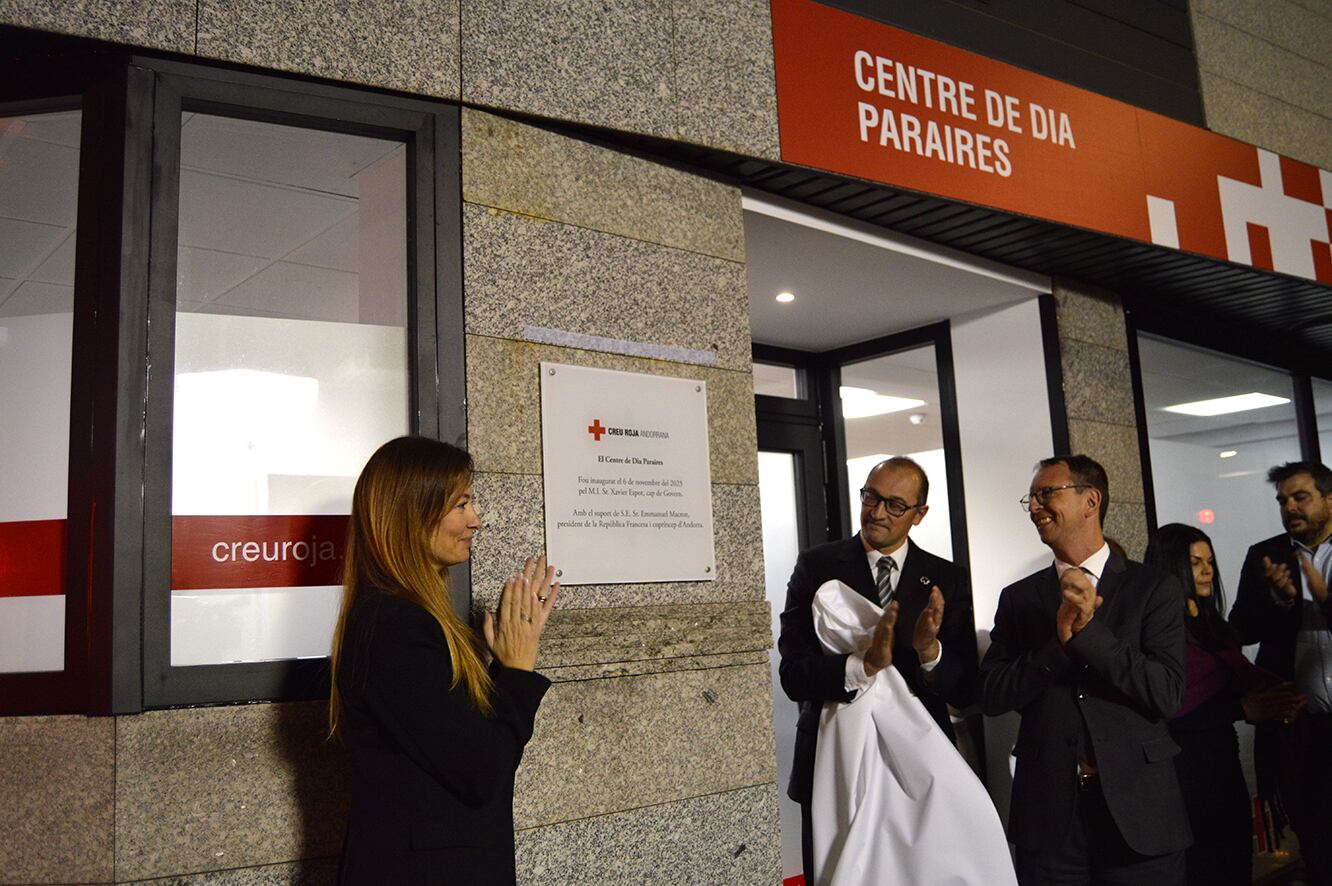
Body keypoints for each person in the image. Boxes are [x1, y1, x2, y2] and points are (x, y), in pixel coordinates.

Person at [329, 436, 558, 885]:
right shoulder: (395, 626)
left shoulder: (404, 617)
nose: (476, 521)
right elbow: (480, 770)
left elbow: (455, 742)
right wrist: (516, 670)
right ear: (412, 513)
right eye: (461, 505)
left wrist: (501, 667)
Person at [980, 454, 1191, 885]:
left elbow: (1166, 692)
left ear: (1090, 500)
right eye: (1031, 499)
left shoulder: (1152, 588)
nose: (1035, 507)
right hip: (1050, 819)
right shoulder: (1019, 598)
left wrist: (1090, 635)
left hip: (1140, 814)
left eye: (1046, 494)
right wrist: (1057, 646)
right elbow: (993, 694)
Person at [777, 456, 976, 883]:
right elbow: (793, 675)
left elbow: (965, 689)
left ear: (920, 514)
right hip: (834, 762)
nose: (877, 512)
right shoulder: (816, 566)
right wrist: (861, 666)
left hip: (921, 766)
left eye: (895, 505)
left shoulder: (946, 578)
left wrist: (930, 652)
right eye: (870, 496)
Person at [1145, 523, 1303, 886]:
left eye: (1210, 561)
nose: (1207, 570)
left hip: (1223, 768)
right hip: (1182, 775)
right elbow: (1166, 708)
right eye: (1195, 562)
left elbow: (1240, 676)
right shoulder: (1157, 628)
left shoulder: (1212, 624)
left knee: (1233, 865)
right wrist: (1241, 709)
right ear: (1171, 565)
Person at [1230, 461, 1332, 885]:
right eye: (1282, 500)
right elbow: (1239, 629)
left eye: (1300, 497)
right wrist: (1279, 600)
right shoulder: (1265, 555)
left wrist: (1321, 598)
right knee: (1317, 840)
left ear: (1329, 499)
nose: (1289, 507)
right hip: (1301, 727)